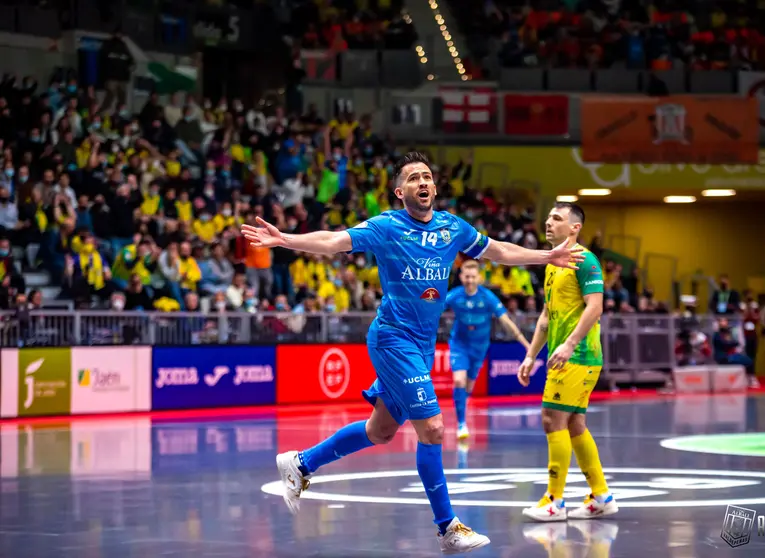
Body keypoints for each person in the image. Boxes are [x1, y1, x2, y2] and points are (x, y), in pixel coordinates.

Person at [241, 152, 585, 554]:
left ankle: (300, 464)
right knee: (434, 428)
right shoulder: (387, 226)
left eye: (427, 176)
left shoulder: (451, 227)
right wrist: (285, 240)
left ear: (434, 187)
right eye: (413, 178)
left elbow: (497, 251)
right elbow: (335, 241)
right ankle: (448, 528)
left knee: (381, 430)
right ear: (399, 191)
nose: (423, 182)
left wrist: (547, 255)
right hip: (392, 337)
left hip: (421, 345)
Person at [517, 201, 618, 522]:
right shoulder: (552, 264)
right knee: (574, 424)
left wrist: (570, 343)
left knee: (552, 419)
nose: (548, 222)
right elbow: (546, 317)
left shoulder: (586, 261)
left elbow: (595, 307)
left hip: (579, 355)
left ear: (575, 228)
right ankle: (601, 495)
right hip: (565, 354)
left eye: (557, 218)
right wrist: (531, 355)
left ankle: (554, 500)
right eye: (548, 217)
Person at [445, 259, 530, 440]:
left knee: (468, 386)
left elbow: (506, 322)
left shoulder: (488, 298)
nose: (469, 280)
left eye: (472, 277)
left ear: (479, 278)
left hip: (480, 347)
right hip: (459, 344)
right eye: (466, 277)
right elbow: (433, 311)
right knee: (458, 381)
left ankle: (462, 404)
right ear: (461, 277)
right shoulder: (454, 296)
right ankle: (461, 424)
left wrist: (527, 345)